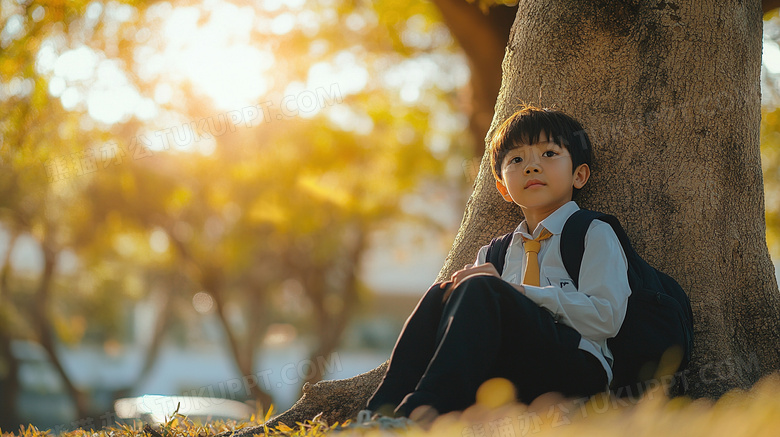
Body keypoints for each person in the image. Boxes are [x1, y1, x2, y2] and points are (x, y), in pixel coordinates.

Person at [364, 105, 631, 420]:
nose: (531, 166)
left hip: (577, 370)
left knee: (482, 287)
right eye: (516, 160)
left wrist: (517, 292)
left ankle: (420, 413)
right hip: (508, 374)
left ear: (579, 174)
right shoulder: (496, 254)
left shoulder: (593, 233)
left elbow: (606, 317)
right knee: (442, 292)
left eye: (548, 154)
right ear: (503, 188)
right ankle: (376, 414)